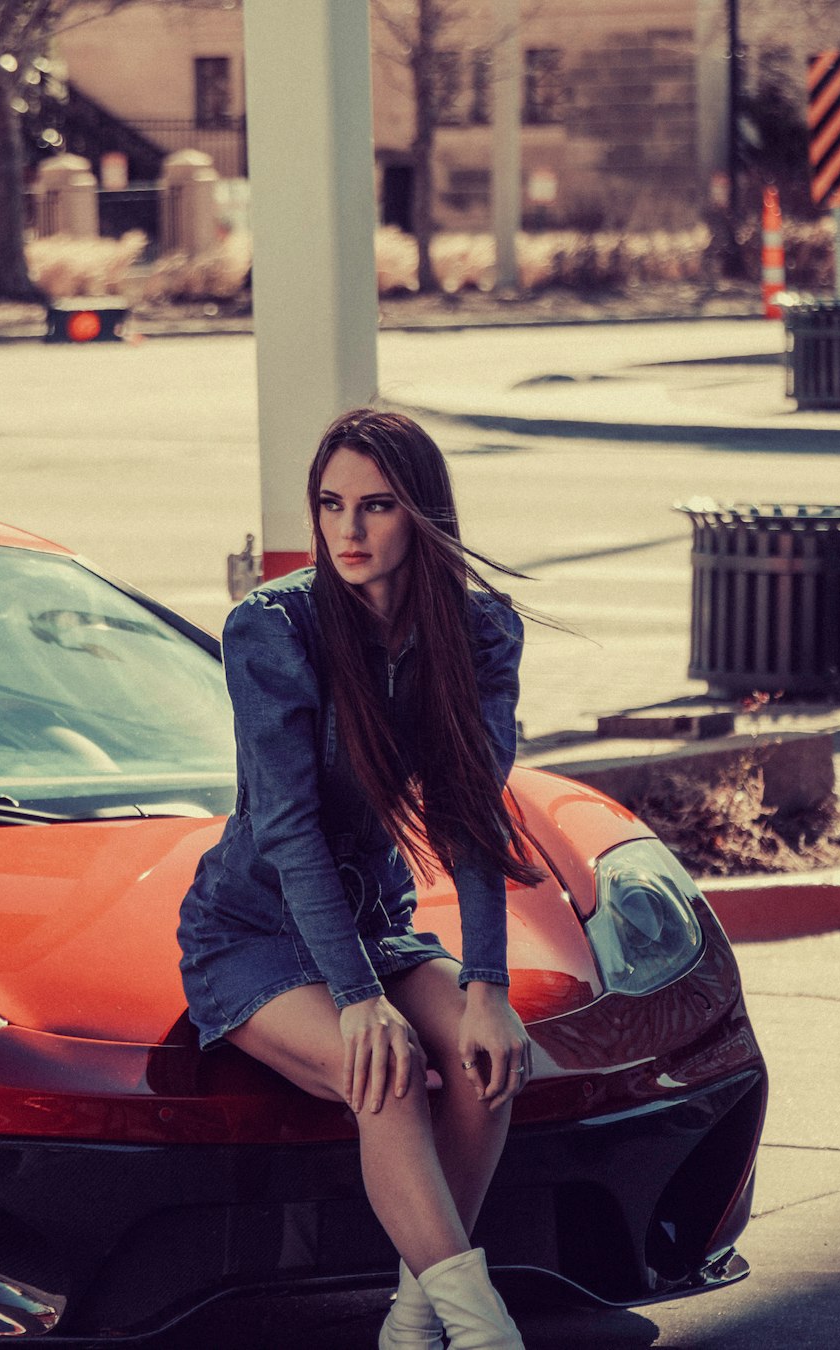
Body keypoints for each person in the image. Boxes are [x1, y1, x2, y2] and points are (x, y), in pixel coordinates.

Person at [178, 408, 549, 1350]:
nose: (345, 532)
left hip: (375, 921)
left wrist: (489, 988)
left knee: (484, 1065)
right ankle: (483, 1330)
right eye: (330, 505)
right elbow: (290, 828)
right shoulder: (272, 628)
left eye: (376, 507)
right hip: (253, 931)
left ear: (420, 515)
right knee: (382, 1073)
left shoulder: (477, 630)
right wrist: (355, 998)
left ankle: (410, 1322)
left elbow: (471, 813)